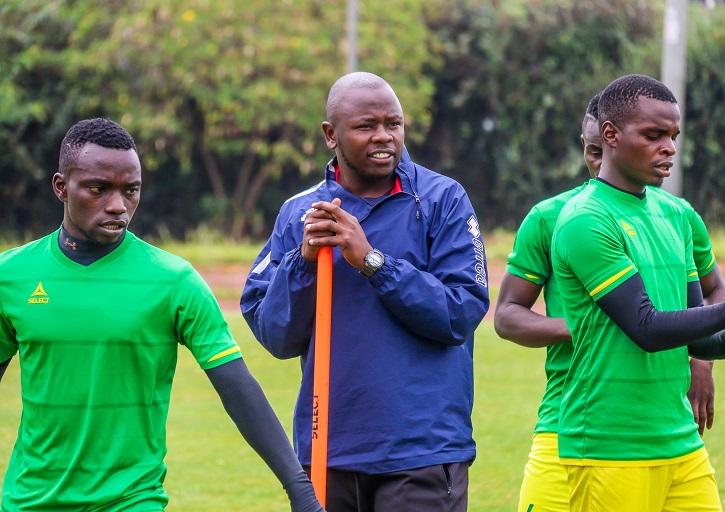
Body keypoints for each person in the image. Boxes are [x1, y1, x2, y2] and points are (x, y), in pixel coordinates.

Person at [0, 118, 324, 512]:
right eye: (98, 189)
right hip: (28, 501)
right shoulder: (11, 276)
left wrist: (301, 492)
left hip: (132, 501)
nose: (118, 205)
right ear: (61, 187)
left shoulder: (174, 281)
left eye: (130, 190)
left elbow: (239, 390)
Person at [241, 72, 489, 512]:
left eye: (393, 124)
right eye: (366, 126)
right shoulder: (300, 212)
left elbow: (460, 312)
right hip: (326, 451)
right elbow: (276, 335)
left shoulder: (443, 199)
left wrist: (373, 262)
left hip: (421, 453)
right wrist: (303, 260)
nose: (384, 137)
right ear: (330, 135)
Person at [494, 91, 725, 511]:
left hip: (662, 419)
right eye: (591, 150)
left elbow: (709, 293)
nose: (597, 158)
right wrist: (585, 326)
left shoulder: (677, 214)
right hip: (572, 414)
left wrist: (702, 360)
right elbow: (507, 316)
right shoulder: (555, 216)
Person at [550, 74, 725, 511]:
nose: (669, 147)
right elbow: (646, 328)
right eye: (654, 135)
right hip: (610, 445)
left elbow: (688, 333)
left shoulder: (676, 216)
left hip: (681, 441)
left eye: (673, 135)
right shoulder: (585, 220)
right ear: (609, 135)